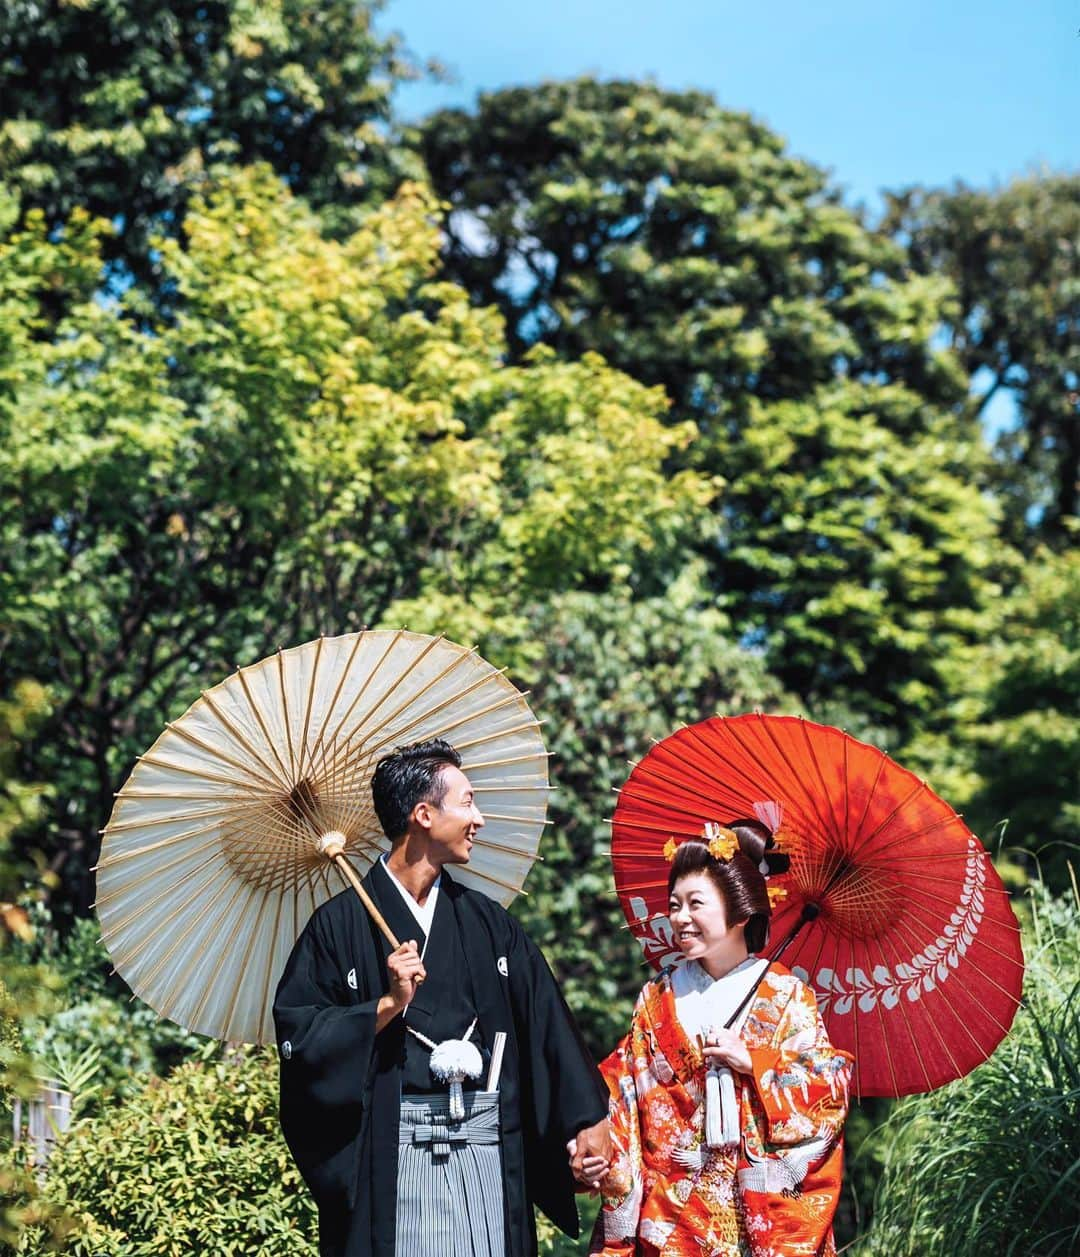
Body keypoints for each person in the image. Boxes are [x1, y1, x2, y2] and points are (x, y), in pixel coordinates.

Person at [273, 737, 612, 1257]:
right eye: (467, 802)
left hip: (486, 1146)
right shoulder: (337, 928)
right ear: (424, 815)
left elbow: (544, 1022)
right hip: (392, 1154)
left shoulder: (488, 923)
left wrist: (586, 1118)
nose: (478, 818)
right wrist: (386, 1005)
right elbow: (301, 1039)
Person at [582, 820, 853, 1257]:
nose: (680, 918)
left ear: (741, 911)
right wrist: (590, 1132)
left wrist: (756, 1062)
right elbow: (623, 1087)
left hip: (754, 1213)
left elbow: (827, 1093)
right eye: (674, 905)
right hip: (671, 1213)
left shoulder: (786, 995)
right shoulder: (657, 997)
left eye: (695, 904)